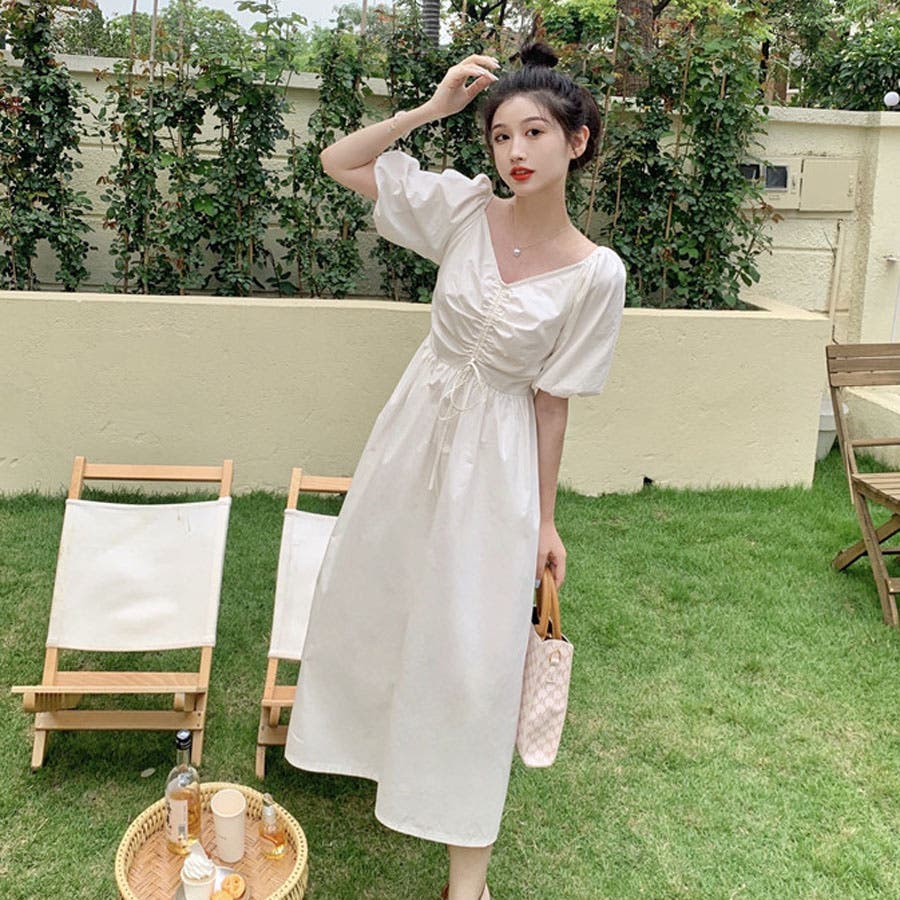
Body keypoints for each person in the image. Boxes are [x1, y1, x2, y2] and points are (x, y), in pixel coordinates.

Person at [284, 42, 626, 900]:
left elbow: (553, 402)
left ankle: (465, 876)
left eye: (535, 132)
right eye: (501, 134)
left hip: (498, 469)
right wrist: (431, 111)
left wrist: (546, 520)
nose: (516, 150)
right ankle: (369, 754)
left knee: (475, 655)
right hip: (409, 445)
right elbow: (340, 163)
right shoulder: (466, 212)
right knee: (377, 603)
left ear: (576, 141)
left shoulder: (596, 276)